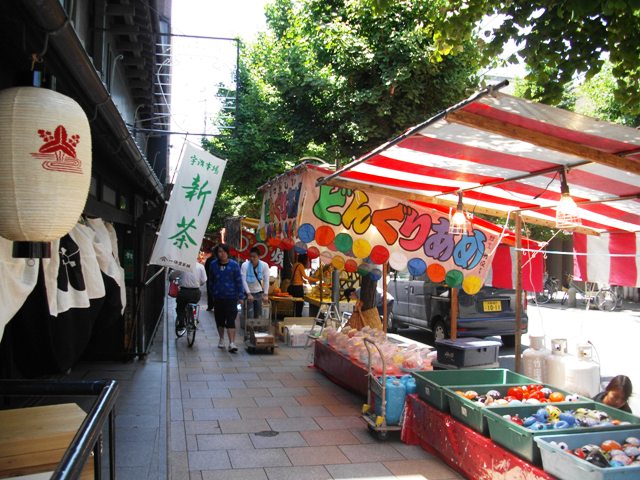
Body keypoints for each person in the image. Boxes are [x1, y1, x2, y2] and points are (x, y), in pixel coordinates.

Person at [208, 243, 244, 353]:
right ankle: (221, 339)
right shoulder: (213, 265)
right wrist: (212, 293)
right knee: (219, 320)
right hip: (218, 297)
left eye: (224, 251)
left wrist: (241, 296)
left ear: (227, 253)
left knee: (231, 319)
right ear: (217, 253)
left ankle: (232, 343)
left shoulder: (234, 265)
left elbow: (239, 281)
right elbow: (210, 281)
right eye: (219, 251)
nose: (222, 254)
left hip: (231, 297)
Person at [170, 261, 207, 330]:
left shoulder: (182, 265)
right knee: (193, 305)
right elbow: (203, 280)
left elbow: (172, 277)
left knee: (180, 308)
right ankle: (193, 319)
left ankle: (181, 323)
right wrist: (197, 284)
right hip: (195, 292)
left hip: (184, 291)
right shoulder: (201, 266)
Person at [241, 247, 270, 319]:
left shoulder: (264, 265)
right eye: (250, 256)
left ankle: (257, 328)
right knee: (249, 315)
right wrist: (248, 294)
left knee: (258, 314)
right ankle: (249, 329)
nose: (252, 258)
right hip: (248, 293)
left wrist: (266, 294)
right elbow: (243, 280)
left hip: (259, 293)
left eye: (254, 257)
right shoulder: (245, 265)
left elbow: (266, 280)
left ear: (259, 257)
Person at [204, 247, 216, 311]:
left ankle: (210, 306)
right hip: (214, 279)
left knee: (210, 292)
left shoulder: (209, 260)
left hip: (210, 278)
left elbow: (205, 269)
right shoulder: (218, 260)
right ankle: (214, 305)